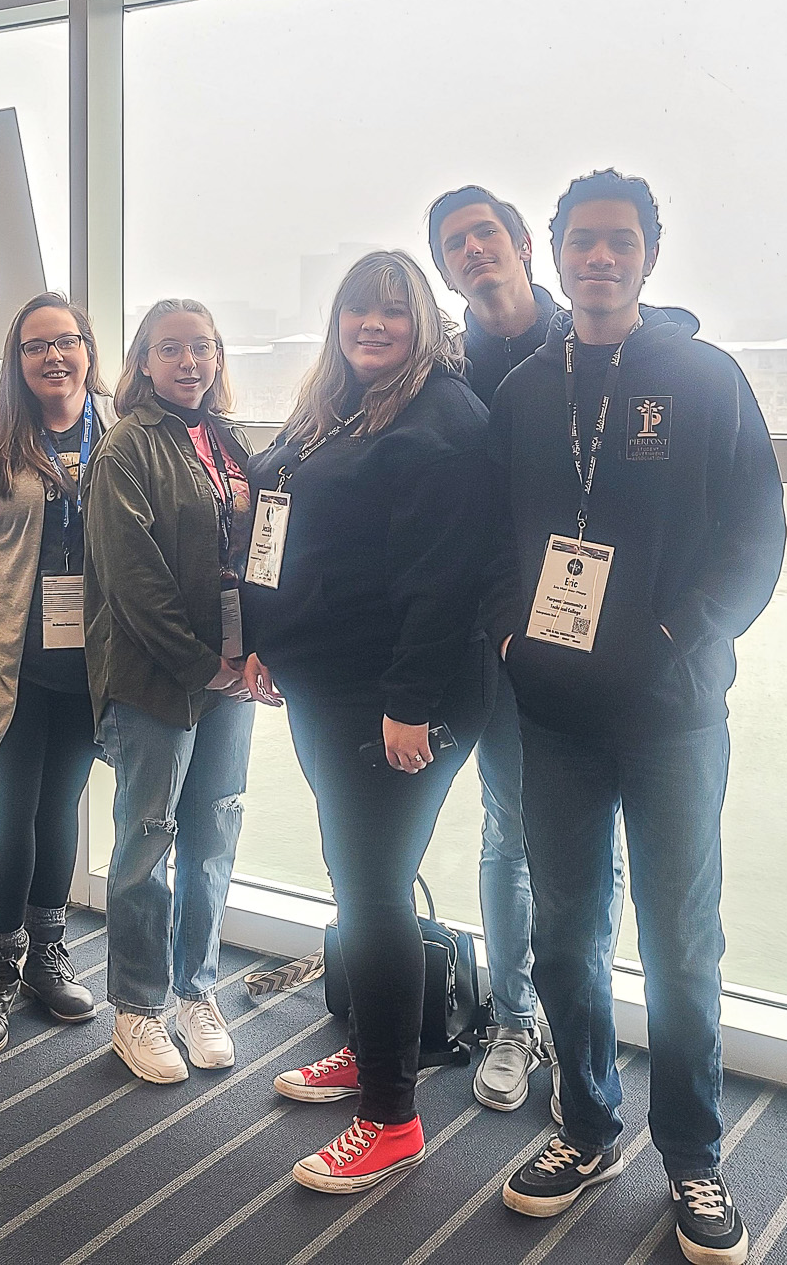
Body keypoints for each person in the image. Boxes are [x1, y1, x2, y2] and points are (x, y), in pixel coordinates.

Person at [487, 170, 784, 1265]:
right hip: (554, 714)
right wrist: (505, 635)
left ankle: (692, 1156)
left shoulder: (704, 379)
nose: (596, 259)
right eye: (579, 242)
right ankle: (584, 1127)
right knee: (563, 932)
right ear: (554, 255)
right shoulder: (524, 390)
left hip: (670, 714)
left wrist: (678, 639)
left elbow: (755, 533)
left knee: (678, 943)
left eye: (617, 242)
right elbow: (484, 537)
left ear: (647, 256)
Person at [240, 250, 496, 1194]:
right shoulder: (331, 412)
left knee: (376, 893)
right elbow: (288, 539)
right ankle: (370, 1047)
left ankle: (390, 1115)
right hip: (324, 684)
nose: (372, 326)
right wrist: (266, 639)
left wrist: (409, 703)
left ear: (421, 320)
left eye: (392, 312)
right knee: (357, 883)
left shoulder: (445, 422)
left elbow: (442, 583)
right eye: (358, 310)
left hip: (394, 700)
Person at [427, 184, 623, 1117]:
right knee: (507, 825)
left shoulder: (588, 344)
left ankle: (582, 1016)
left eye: (486, 235)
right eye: (455, 244)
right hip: (488, 633)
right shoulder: (443, 366)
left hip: (593, 641)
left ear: (522, 248)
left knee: (593, 835)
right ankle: (514, 1015)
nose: (474, 251)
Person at [84, 298, 258, 1084]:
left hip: (229, 677)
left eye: (202, 347)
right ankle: (138, 1008)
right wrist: (205, 665)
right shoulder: (126, 448)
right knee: (147, 838)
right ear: (143, 362)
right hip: (159, 676)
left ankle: (197, 990)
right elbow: (134, 584)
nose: (189, 362)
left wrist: (253, 656)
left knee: (215, 832)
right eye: (170, 349)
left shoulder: (230, 441)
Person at [0, 291, 112, 1055]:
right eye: (36, 345)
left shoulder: (119, 436)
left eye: (65, 342)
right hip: (8, 661)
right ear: (17, 360)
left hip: (93, 663)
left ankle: (46, 953)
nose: (53, 356)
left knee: (62, 810)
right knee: (8, 811)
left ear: (87, 351)